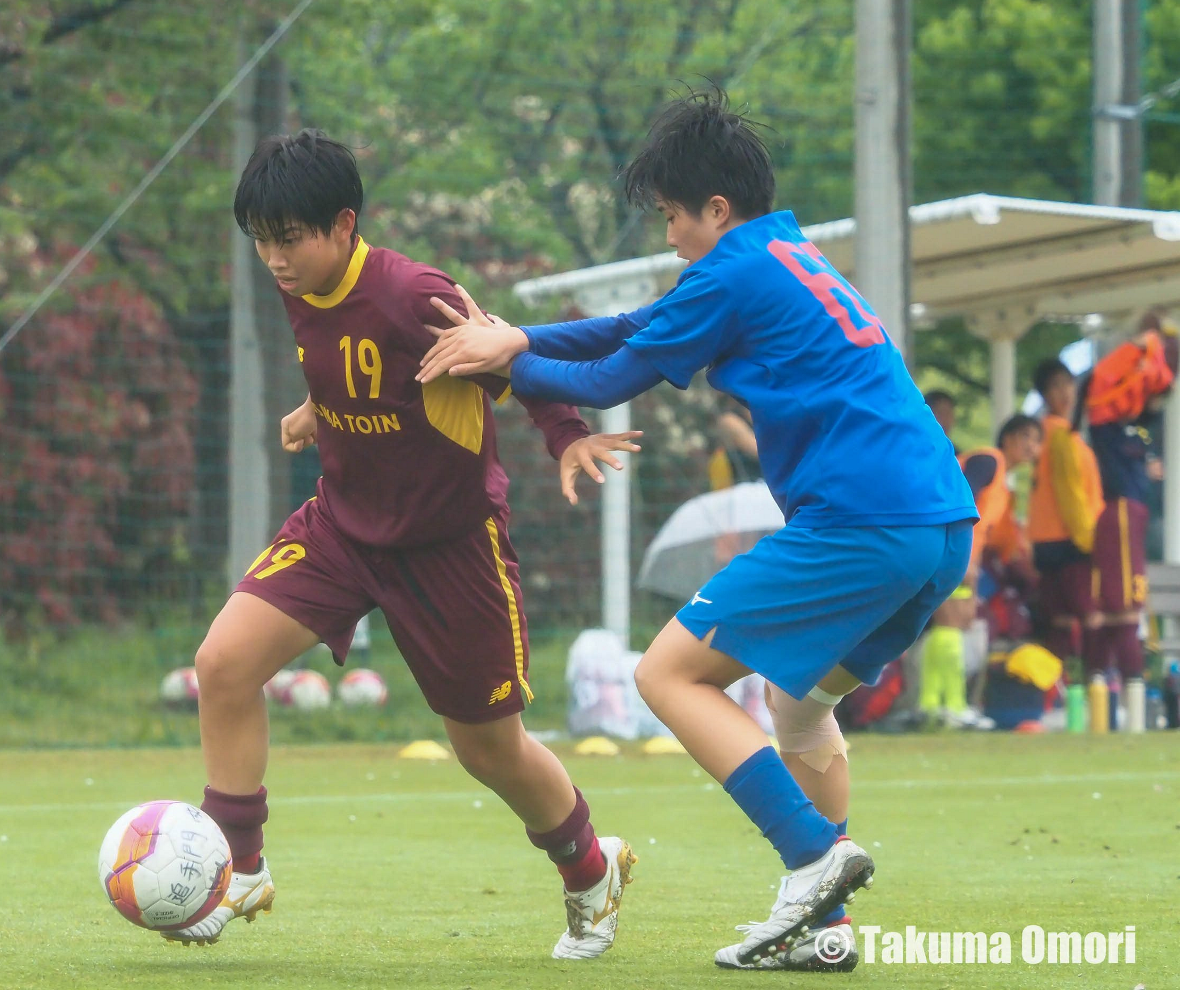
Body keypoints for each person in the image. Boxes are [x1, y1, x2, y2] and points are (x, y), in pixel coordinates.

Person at [417, 89, 976, 972]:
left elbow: (605, 379)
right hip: (940, 525)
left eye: (675, 216)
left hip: (865, 521)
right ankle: (824, 927)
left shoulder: (731, 272)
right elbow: (634, 328)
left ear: (717, 209)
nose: (670, 234)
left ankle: (812, 857)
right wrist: (516, 335)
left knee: (667, 672)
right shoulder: (784, 253)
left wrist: (510, 358)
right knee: (801, 702)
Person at [176, 130, 643, 959]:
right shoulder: (298, 285)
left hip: (448, 548)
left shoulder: (414, 293)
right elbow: (366, 370)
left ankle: (589, 867)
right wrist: (320, 408)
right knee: (223, 664)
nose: (274, 259)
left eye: (289, 239)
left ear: (344, 225)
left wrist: (568, 434)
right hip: (342, 527)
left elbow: (510, 360)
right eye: (261, 240)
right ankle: (238, 866)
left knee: (487, 748)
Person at [1080, 317, 1177, 731]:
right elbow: (1105, 376)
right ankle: (1119, 705)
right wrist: (1140, 346)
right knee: (1121, 608)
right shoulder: (1106, 418)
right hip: (1119, 512)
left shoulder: (1137, 423)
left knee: (1124, 608)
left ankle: (1126, 706)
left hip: (1131, 514)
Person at [921, 414, 1042, 726]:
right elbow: (964, 496)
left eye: (1037, 440)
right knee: (954, 618)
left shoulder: (1005, 484)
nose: (1033, 446)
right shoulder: (990, 459)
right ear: (1010, 438)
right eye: (1027, 437)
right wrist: (966, 558)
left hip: (949, 548)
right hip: (947, 546)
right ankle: (954, 706)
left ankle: (932, 705)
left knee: (948, 624)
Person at [1026, 359, 1103, 671]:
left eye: (1068, 384)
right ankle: (1099, 683)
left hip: (1043, 542)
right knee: (1091, 617)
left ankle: (1052, 689)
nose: (1065, 392)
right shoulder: (1060, 435)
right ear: (1045, 394)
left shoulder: (1040, 434)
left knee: (1057, 622)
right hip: (1071, 540)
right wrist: (1090, 541)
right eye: (1056, 386)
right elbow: (1071, 495)